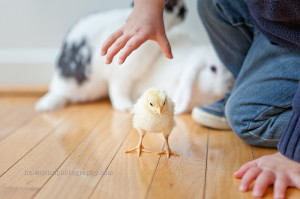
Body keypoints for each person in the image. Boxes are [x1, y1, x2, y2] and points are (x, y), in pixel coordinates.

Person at [101, 0, 300, 198]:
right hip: (275, 28)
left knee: (246, 118)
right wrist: (147, 9)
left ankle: (261, 103)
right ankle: (255, 91)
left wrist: (295, 149)